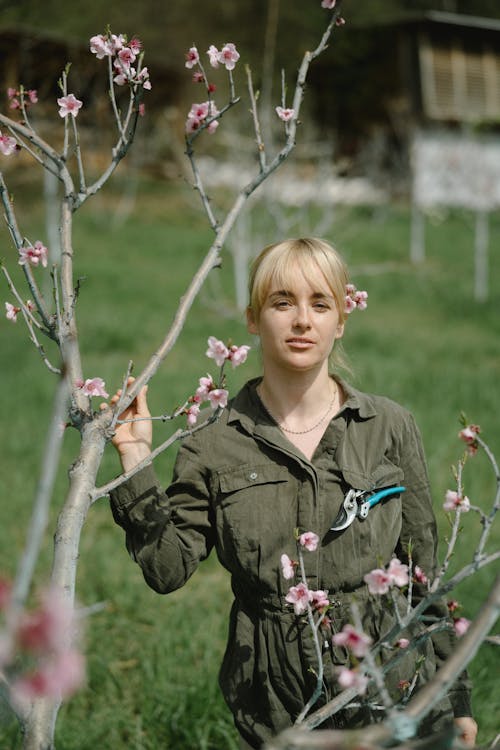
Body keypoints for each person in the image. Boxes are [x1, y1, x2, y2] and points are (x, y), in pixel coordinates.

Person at [107, 238, 477, 749]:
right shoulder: (213, 441)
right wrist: (134, 460)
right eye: (283, 302)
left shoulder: (388, 427)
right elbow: (168, 571)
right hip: (274, 702)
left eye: (320, 303)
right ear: (254, 318)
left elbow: (424, 580)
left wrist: (454, 701)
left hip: (390, 684)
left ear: (341, 319)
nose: (302, 320)